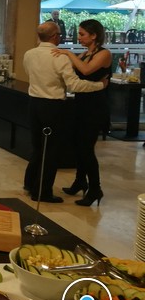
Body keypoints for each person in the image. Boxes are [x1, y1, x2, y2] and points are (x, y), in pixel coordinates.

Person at [22, 21, 106, 203]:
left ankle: (30, 184)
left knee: (38, 147)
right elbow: (73, 85)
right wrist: (100, 85)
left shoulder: (29, 54)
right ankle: (42, 191)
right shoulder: (59, 57)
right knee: (51, 150)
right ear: (54, 37)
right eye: (59, 34)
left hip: (33, 103)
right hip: (52, 106)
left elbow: (29, 74)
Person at [51, 19, 111, 206]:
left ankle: (95, 188)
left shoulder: (104, 54)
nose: (79, 37)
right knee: (78, 145)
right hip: (81, 103)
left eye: (82, 34)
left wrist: (68, 53)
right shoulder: (85, 53)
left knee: (86, 148)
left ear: (94, 35)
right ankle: (80, 181)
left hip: (95, 107)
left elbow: (85, 70)